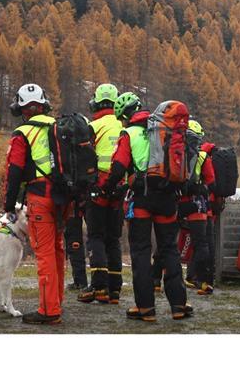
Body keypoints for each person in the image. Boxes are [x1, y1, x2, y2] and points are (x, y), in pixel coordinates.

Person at [103, 92, 193, 322]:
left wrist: (108, 187)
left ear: (124, 116)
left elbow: (119, 167)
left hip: (142, 198)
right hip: (167, 196)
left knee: (141, 252)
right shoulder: (165, 129)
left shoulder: (129, 132)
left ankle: (145, 308)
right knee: (169, 250)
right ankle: (179, 306)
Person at [2, 82, 66, 325]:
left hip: (40, 197)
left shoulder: (22, 134)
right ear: (44, 104)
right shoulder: (59, 126)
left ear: (20, 108)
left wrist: (9, 205)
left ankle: (49, 311)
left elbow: (14, 171)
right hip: (64, 197)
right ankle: (56, 301)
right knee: (58, 249)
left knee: (45, 252)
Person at [78, 83, 124, 305]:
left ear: (95, 102)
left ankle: (99, 287)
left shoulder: (92, 126)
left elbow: (84, 158)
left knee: (96, 236)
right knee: (113, 238)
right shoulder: (123, 126)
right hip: (119, 188)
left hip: (97, 187)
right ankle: (115, 290)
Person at [179, 119, 216, 295]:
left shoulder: (175, 152)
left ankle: (156, 279)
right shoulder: (203, 156)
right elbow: (212, 182)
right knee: (201, 243)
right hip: (197, 205)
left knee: (168, 240)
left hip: (177, 202)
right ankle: (202, 281)